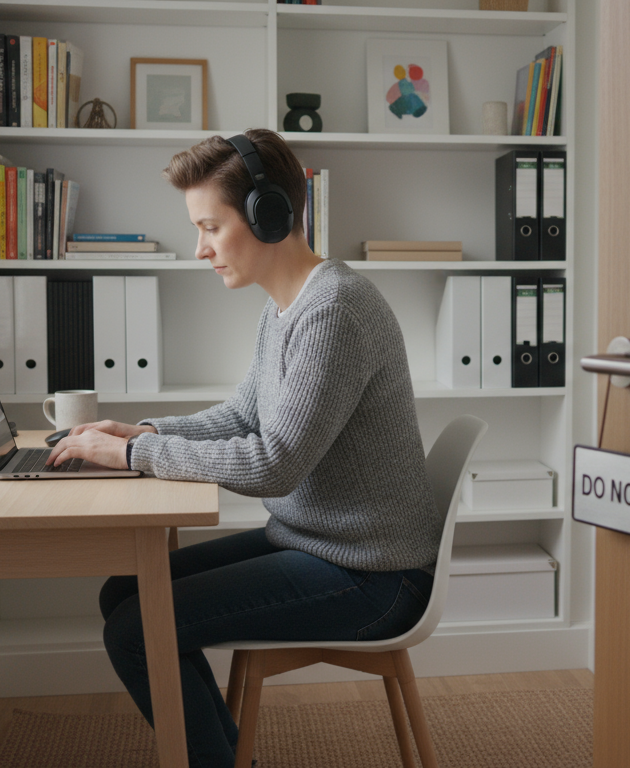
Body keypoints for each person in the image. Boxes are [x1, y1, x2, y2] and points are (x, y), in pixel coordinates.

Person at [44, 128, 440, 768]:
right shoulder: (284, 309)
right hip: (320, 543)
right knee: (124, 593)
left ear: (270, 215)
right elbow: (241, 416)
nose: (199, 249)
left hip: (373, 576)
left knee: (136, 630)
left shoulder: (334, 310)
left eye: (210, 227)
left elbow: (274, 463)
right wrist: (145, 433)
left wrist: (135, 458)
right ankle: (226, 756)